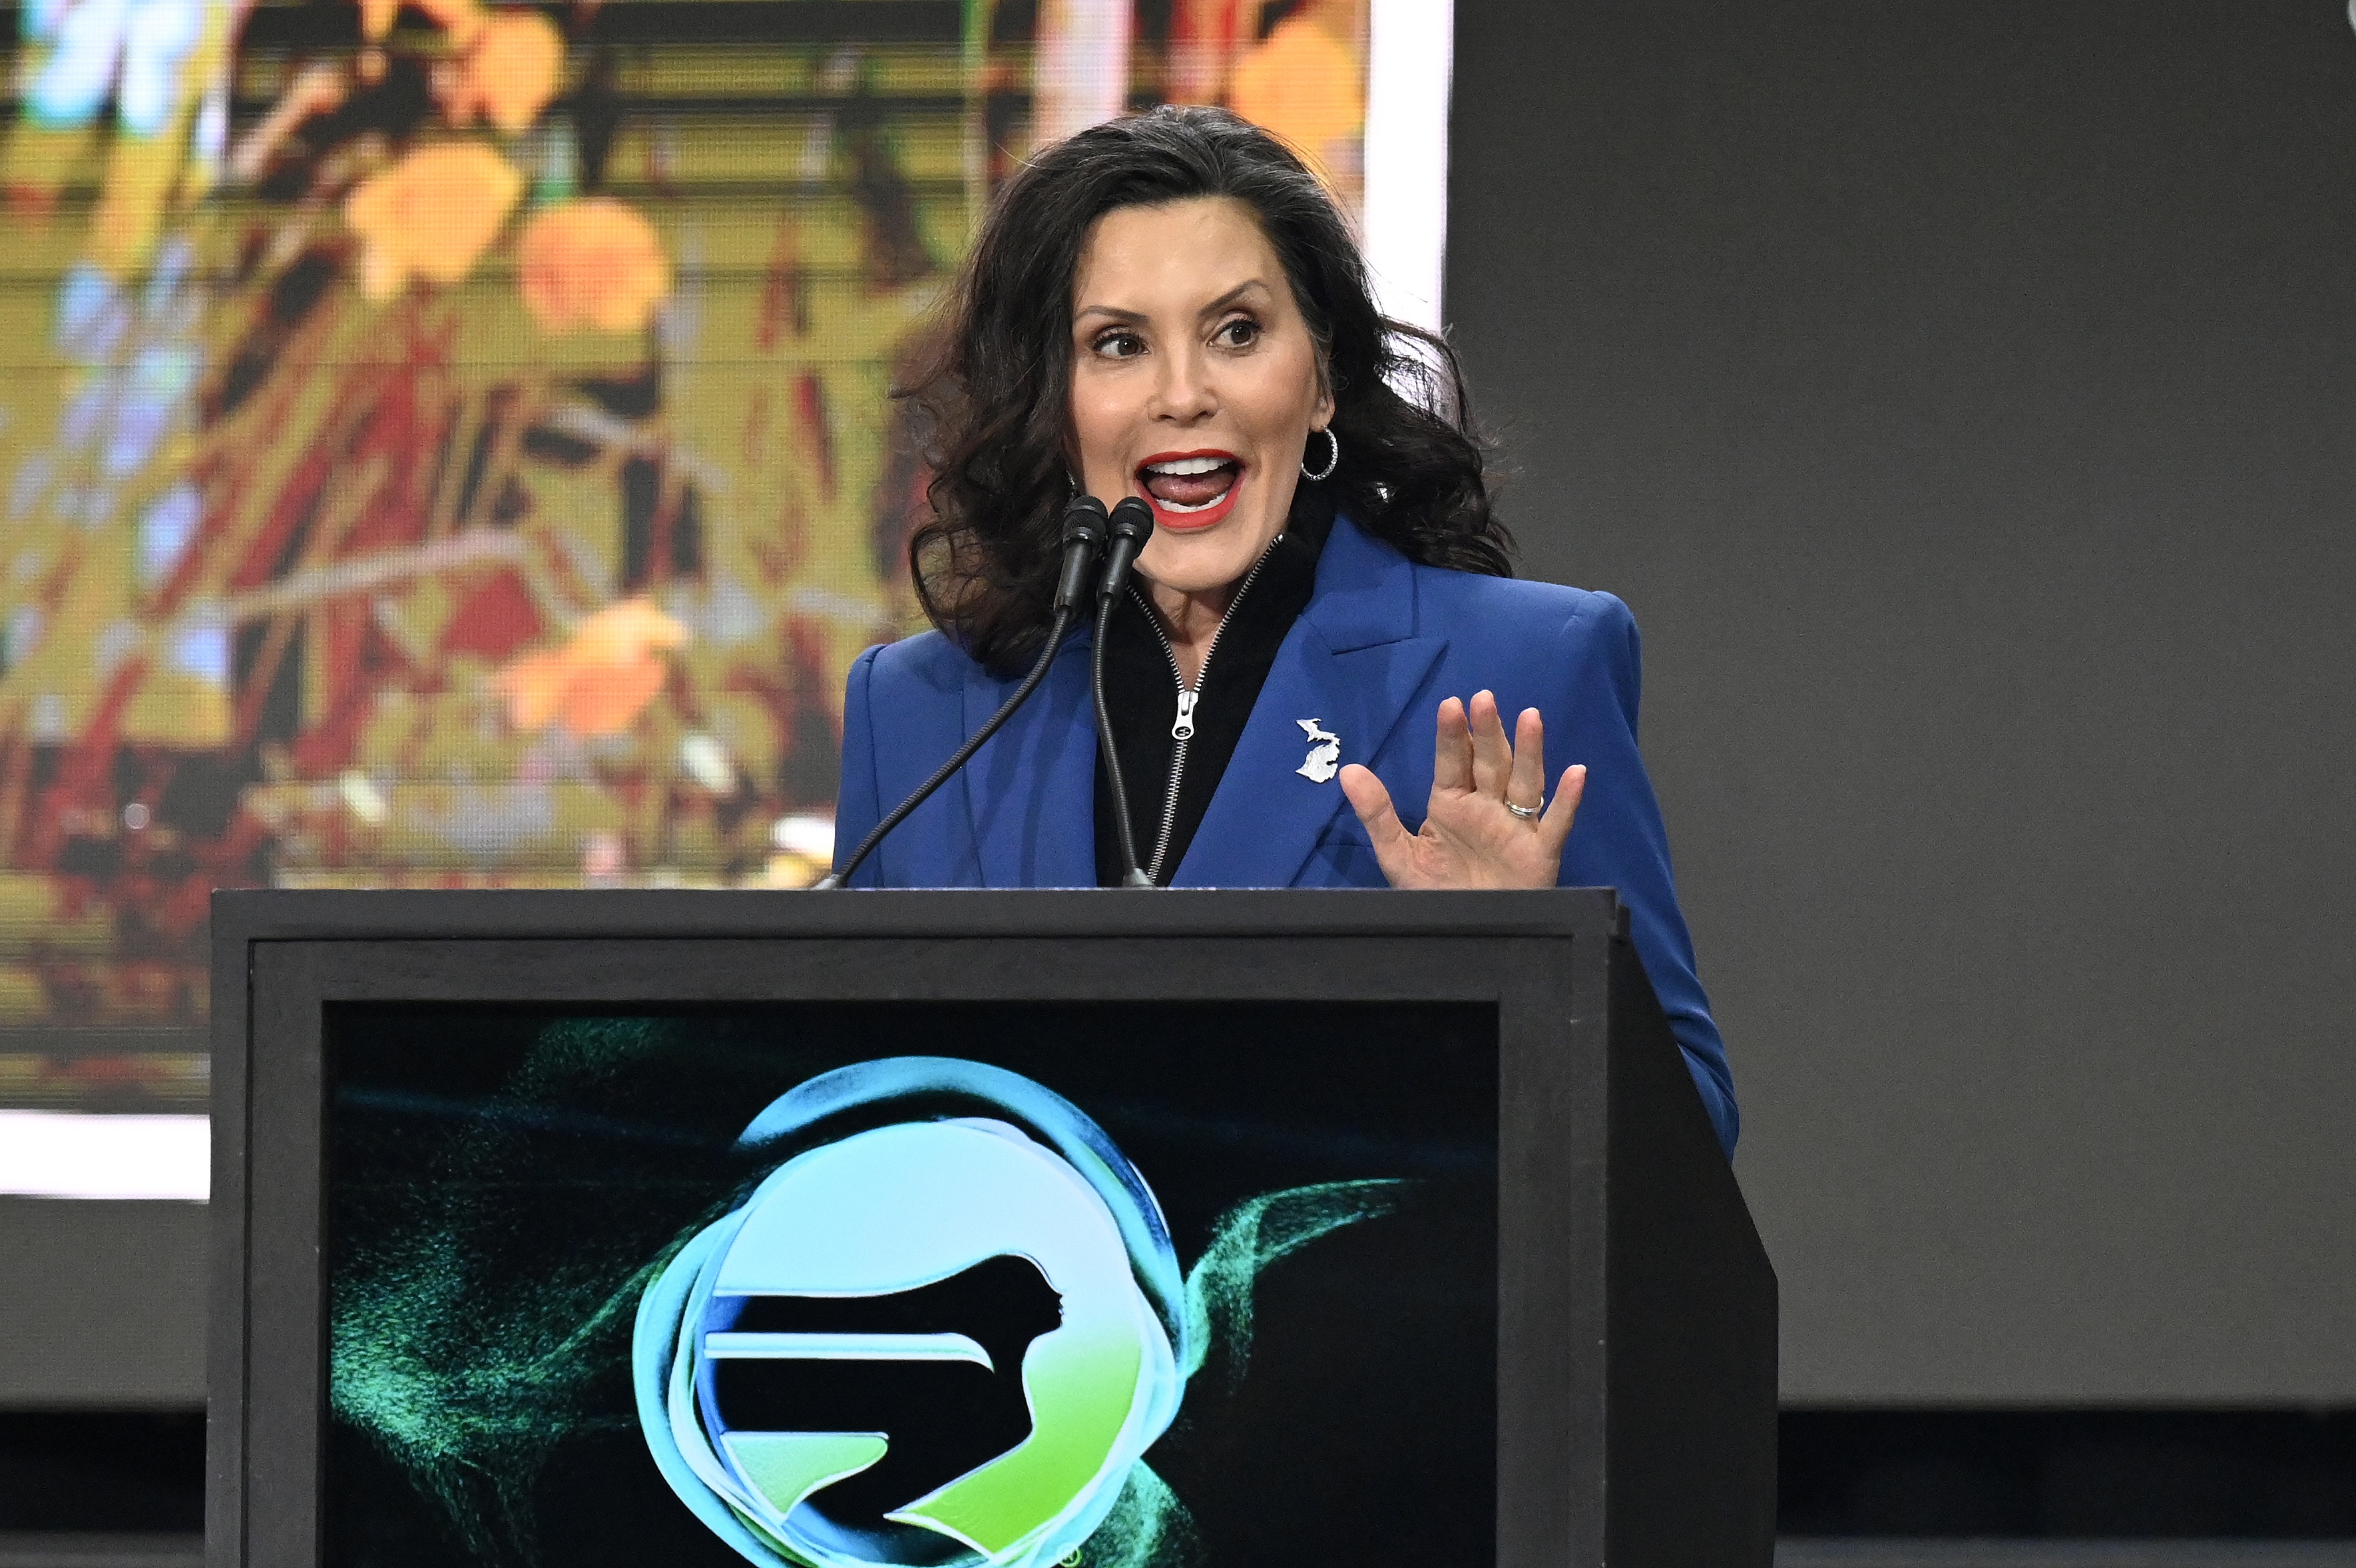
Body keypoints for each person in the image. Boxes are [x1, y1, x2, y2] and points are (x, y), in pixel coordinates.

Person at [832, 106, 1736, 1154]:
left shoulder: (1522, 666)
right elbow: (840, 1110)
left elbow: (1692, 1130)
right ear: (1054, 401)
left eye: (1237, 333)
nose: (1183, 396)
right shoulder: (920, 717)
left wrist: (1522, 973)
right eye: (1117, 344)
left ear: (1323, 380)